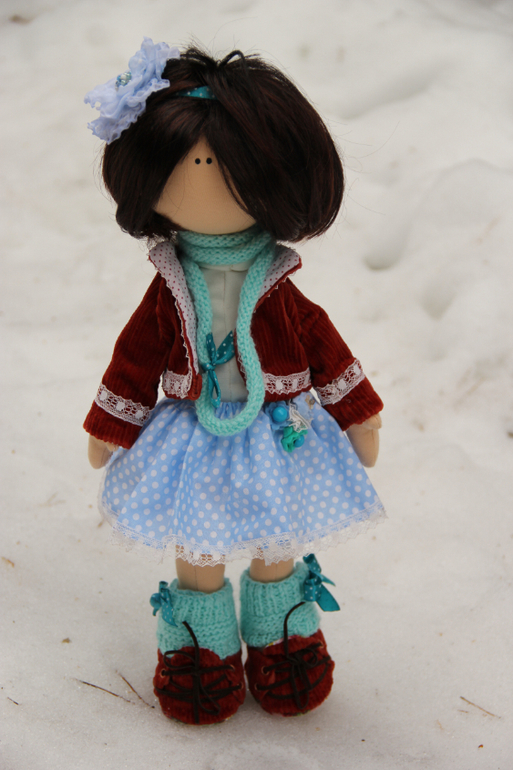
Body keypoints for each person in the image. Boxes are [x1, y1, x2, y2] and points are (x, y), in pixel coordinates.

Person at [84, 38, 385, 725]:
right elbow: (137, 355)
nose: (208, 177)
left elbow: (322, 344)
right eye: (190, 163)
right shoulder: (169, 283)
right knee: (200, 550)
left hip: (277, 431)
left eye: (228, 164)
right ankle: (201, 648)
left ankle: (283, 639)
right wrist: (111, 423)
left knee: (277, 542)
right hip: (194, 433)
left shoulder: (277, 281)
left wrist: (357, 411)